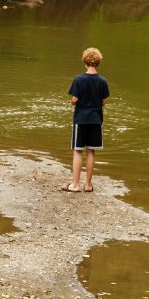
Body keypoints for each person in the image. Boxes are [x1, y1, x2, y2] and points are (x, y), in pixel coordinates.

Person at [63, 47, 110, 193]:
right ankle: (88, 185)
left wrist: (72, 100)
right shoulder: (103, 80)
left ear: (84, 62)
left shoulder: (78, 79)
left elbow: (74, 100)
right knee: (91, 151)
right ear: (98, 62)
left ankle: (75, 185)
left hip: (81, 119)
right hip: (96, 120)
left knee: (78, 151)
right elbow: (103, 102)